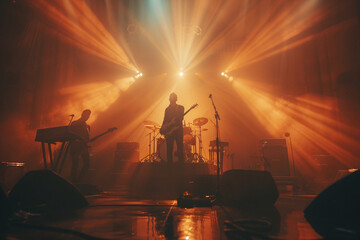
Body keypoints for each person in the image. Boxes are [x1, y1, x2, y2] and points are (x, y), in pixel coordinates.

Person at [160, 93, 184, 163]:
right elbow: (165, 120)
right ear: (169, 99)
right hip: (169, 132)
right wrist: (163, 129)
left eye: (173, 98)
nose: (172, 99)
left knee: (180, 149)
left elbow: (180, 119)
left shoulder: (180, 108)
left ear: (176, 99)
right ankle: (169, 168)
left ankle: (180, 168)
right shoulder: (167, 109)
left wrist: (172, 127)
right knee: (169, 150)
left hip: (178, 131)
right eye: (171, 98)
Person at [69, 109, 91, 183]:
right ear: (82, 114)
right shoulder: (75, 123)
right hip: (76, 147)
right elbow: (70, 135)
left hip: (83, 147)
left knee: (87, 164)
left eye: (89, 115)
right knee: (75, 164)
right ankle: (73, 181)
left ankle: (79, 180)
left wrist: (86, 142)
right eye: (87, 115)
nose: (88, 117)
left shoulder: (87, 126)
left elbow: (87, 138)